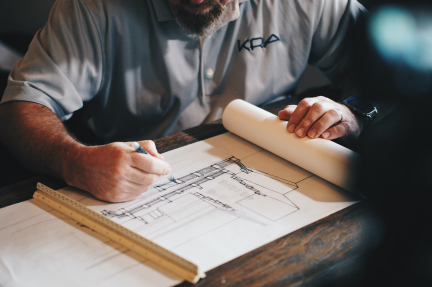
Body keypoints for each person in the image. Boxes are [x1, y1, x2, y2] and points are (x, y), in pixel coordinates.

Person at [0, 0, 367, 202]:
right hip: (135, 182)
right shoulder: (92, 8)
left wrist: (353, 109)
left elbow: (394, 71)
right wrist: (73, 160)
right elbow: (22, 106)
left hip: (282, 177)